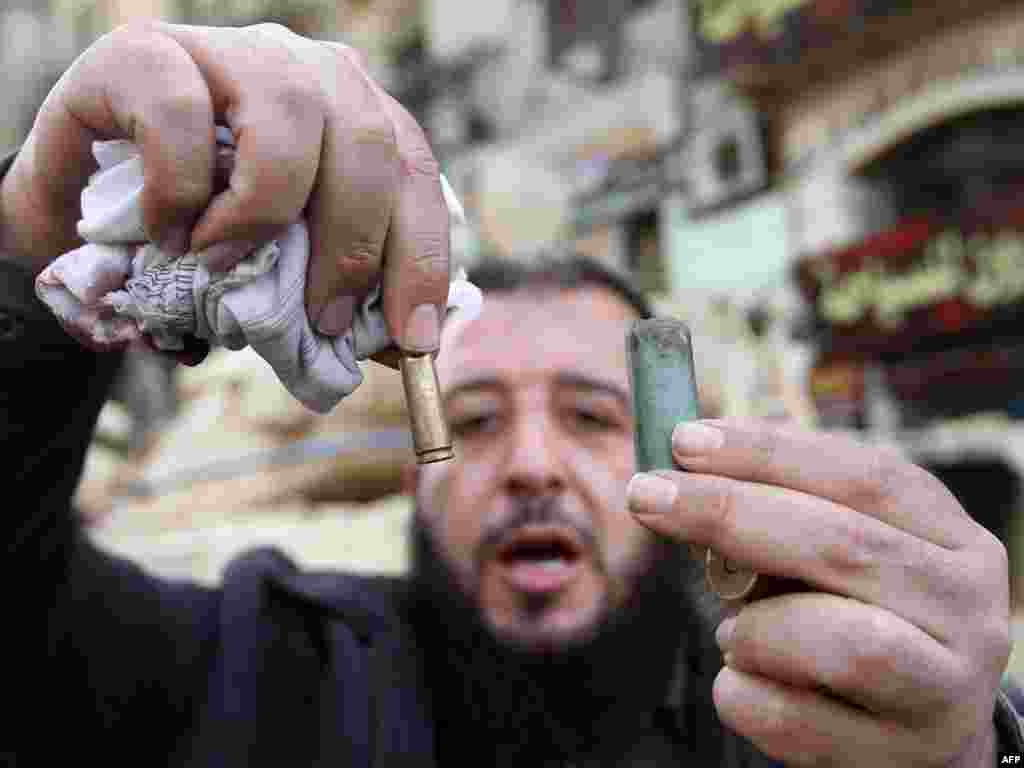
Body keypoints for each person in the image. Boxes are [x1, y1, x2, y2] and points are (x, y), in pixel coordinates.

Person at [0, 22, 1020, 767]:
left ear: (679, 460)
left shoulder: (792, 728)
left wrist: (967, 742)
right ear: (414, 471)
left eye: (590, 416)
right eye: (476, 420)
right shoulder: (258, 678)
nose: (532, 466)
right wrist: (33, 233)